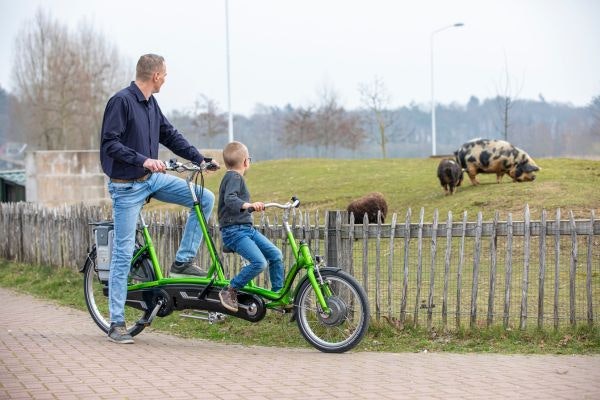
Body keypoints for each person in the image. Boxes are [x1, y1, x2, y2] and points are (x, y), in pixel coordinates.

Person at [100, 54, 218, 344]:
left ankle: (183, 261)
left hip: (151, 179)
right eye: (164, 75)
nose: (166, 79)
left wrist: (199, 158)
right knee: (123, 253)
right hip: (126, 186)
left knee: (204, 198)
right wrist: (144, 160)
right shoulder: (122, 101)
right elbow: (110, 143)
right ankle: (116, 322)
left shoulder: (151, 104)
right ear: (154, 76)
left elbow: (169, 134)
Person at [217, 141, 284, 312]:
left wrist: (250, 206)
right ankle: (230, 290)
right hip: (234, 231)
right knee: (259, 262)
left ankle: (278, 295)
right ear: (246, 161)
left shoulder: (233, 177)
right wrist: (249, 205)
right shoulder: (234, 176)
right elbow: (230, 199)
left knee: (275, 255)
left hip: (246, 230)